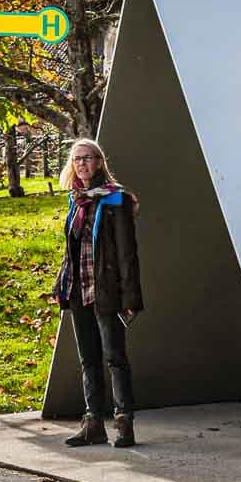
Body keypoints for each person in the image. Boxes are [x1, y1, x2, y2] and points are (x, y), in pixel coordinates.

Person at [52, 138, 144, 448]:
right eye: (77, 159)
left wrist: (130, 298)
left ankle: (124, 423)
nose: (82, 163)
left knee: (115, 357)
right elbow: (72, 249)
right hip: (78, 288)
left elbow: (127, 253)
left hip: (106, 291)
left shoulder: (116, 199)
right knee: (88, 359)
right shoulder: (76, 200)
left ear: (99, 162)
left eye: (88, 158)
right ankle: (93, 424)